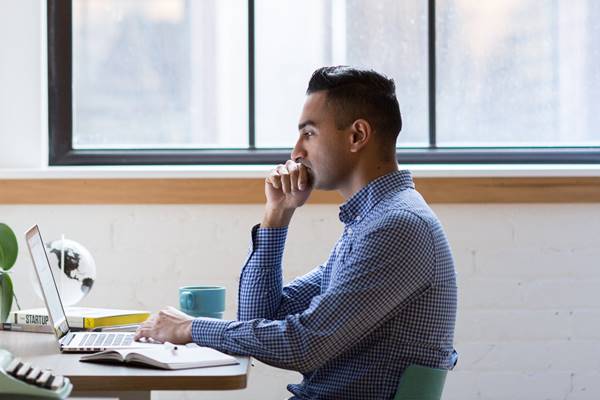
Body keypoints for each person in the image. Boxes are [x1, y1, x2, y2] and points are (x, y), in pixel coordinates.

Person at [135, 66, 457, 399]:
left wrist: (189, 328)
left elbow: (304, 344)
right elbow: (260, 317)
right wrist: (278, 214)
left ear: (357, 136)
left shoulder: (396, 227)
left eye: (309, 133)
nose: (296, 152)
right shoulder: (371, 222)